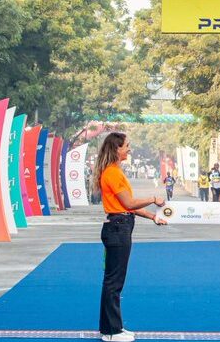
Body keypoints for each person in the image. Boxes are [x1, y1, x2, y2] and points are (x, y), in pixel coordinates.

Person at [92, 133, 167, 342]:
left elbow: (127, 206)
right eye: (127, 146)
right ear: (117, 149)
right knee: (113, 282)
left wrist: (153, 216)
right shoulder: (112, 173)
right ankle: (111, 331)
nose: (129, 149)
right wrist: (153, 198)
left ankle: (113, 326)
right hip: (118, 228)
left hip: (121, 225)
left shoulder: (116, 172)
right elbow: (129, 203)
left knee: (115, 280)